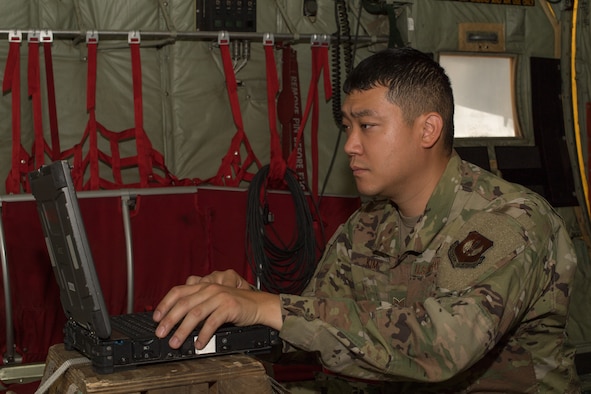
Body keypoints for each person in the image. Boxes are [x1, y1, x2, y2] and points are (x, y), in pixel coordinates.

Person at [153, 47, 580, 392]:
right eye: (346, 126)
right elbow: (316, 330)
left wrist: (270, 307)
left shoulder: (508, 220)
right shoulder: (368, 226)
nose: (350, 146)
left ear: (428, 129)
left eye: (368, 126)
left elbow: (444, 349)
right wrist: (242, 308)